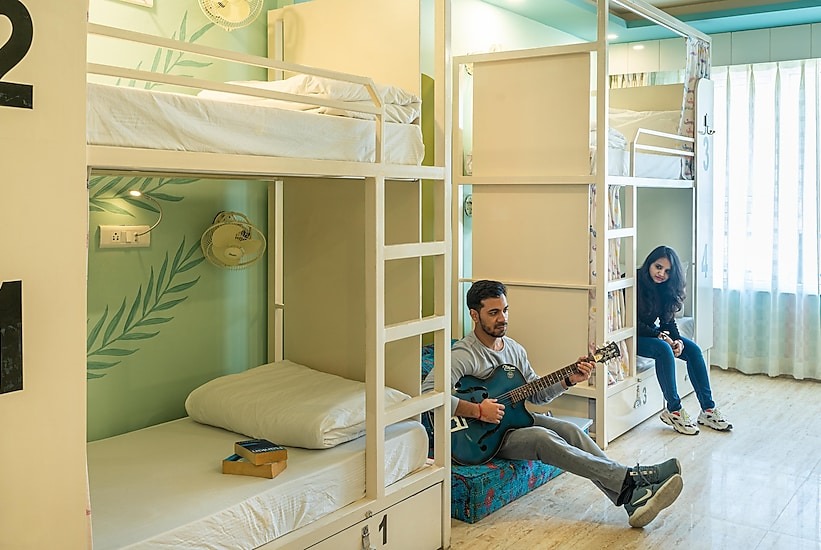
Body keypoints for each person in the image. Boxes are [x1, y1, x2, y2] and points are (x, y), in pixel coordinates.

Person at [423, 279, 683, 528]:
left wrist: (568, 380)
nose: (502, 318)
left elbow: (536, 394)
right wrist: (478, 410)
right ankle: (633, 478)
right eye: (493, 313)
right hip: (480, 440)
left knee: (570, 430)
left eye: (505, 310)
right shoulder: (463, 354)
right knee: (542, 438)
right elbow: (428, 394)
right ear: (474, 315)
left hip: (512, 421)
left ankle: (630, 498)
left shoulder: (514, 349)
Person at [636, 245, 732, 435]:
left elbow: (668, 321)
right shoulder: (635, 282)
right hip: (632, 335)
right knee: (663, 349)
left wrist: (677, 340)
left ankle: (708, 409)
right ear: (649, 264)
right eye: (658, 267)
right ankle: (674, 410)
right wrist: (659, 336)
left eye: (667, 271)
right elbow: (631, 322)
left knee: (693, 350)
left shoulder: (665, 288)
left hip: (652, 333)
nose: (661, 274)